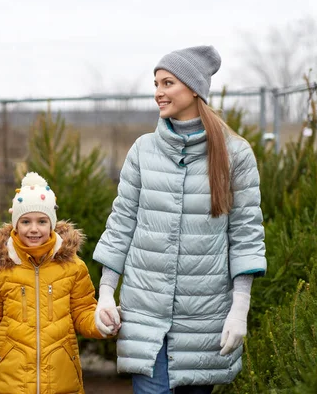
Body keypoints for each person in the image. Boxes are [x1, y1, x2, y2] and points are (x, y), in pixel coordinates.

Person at [92, 45, 267, 394]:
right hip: (146, 316)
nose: (158, 92)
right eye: (156, 83)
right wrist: (107, 293)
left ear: (194, 88)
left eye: (168, 83)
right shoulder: (143, 150)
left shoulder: (235, 154)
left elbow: (246, 235)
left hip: (204, 320)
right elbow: (122, 222)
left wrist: (239, 310)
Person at [0, 172, 120, 394]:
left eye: (42, 221)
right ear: (15, 224)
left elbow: (82, 313)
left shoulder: (73, 267)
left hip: (62, 380)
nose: (34, 229)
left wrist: (101, 322)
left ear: (51, 223)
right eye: (26, 221)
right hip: (10, 383)